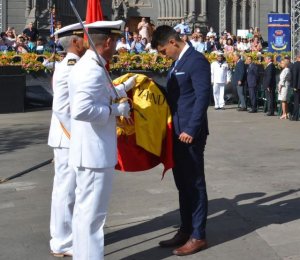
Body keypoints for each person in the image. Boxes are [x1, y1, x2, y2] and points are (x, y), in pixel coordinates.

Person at [67, 20, 137, 260]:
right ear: (107, 42)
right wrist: (115, 111)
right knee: (93, 216)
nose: (117, 46)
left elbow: (101, 94)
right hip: (94, 153)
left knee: (84, 213)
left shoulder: (93, 65)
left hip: (90, 151)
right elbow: (81, 110)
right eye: (116, 41)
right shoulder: (91, 69)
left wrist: (123, 88)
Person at [151, 25, 210, 256]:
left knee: (194, 184)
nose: (164, 56)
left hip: (189, 134)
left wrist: (192, 129)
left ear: (173, 42)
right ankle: (185, 229)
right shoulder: (177, 63)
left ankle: (198, 235)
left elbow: (202, 97)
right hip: (176, 132)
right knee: (182, 184)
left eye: (164, 51)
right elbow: (175, 96)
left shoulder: (197, 61)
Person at [47, 22, 86, 258]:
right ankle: (62, 241)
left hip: (66, 136)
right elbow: (63, 109)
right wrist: (78, 136)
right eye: (82, 37)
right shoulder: (70, 66)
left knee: (67, 190)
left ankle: (65, 236)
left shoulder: (71, 64)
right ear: (74, 41)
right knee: (66, 191)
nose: (86, 41)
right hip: (67, 136)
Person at [291, 55, 300, 121]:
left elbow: (295, 76)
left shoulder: (296, 64)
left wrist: (294, 86)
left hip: (297, 87)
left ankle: (295, 117)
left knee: (296, 102)